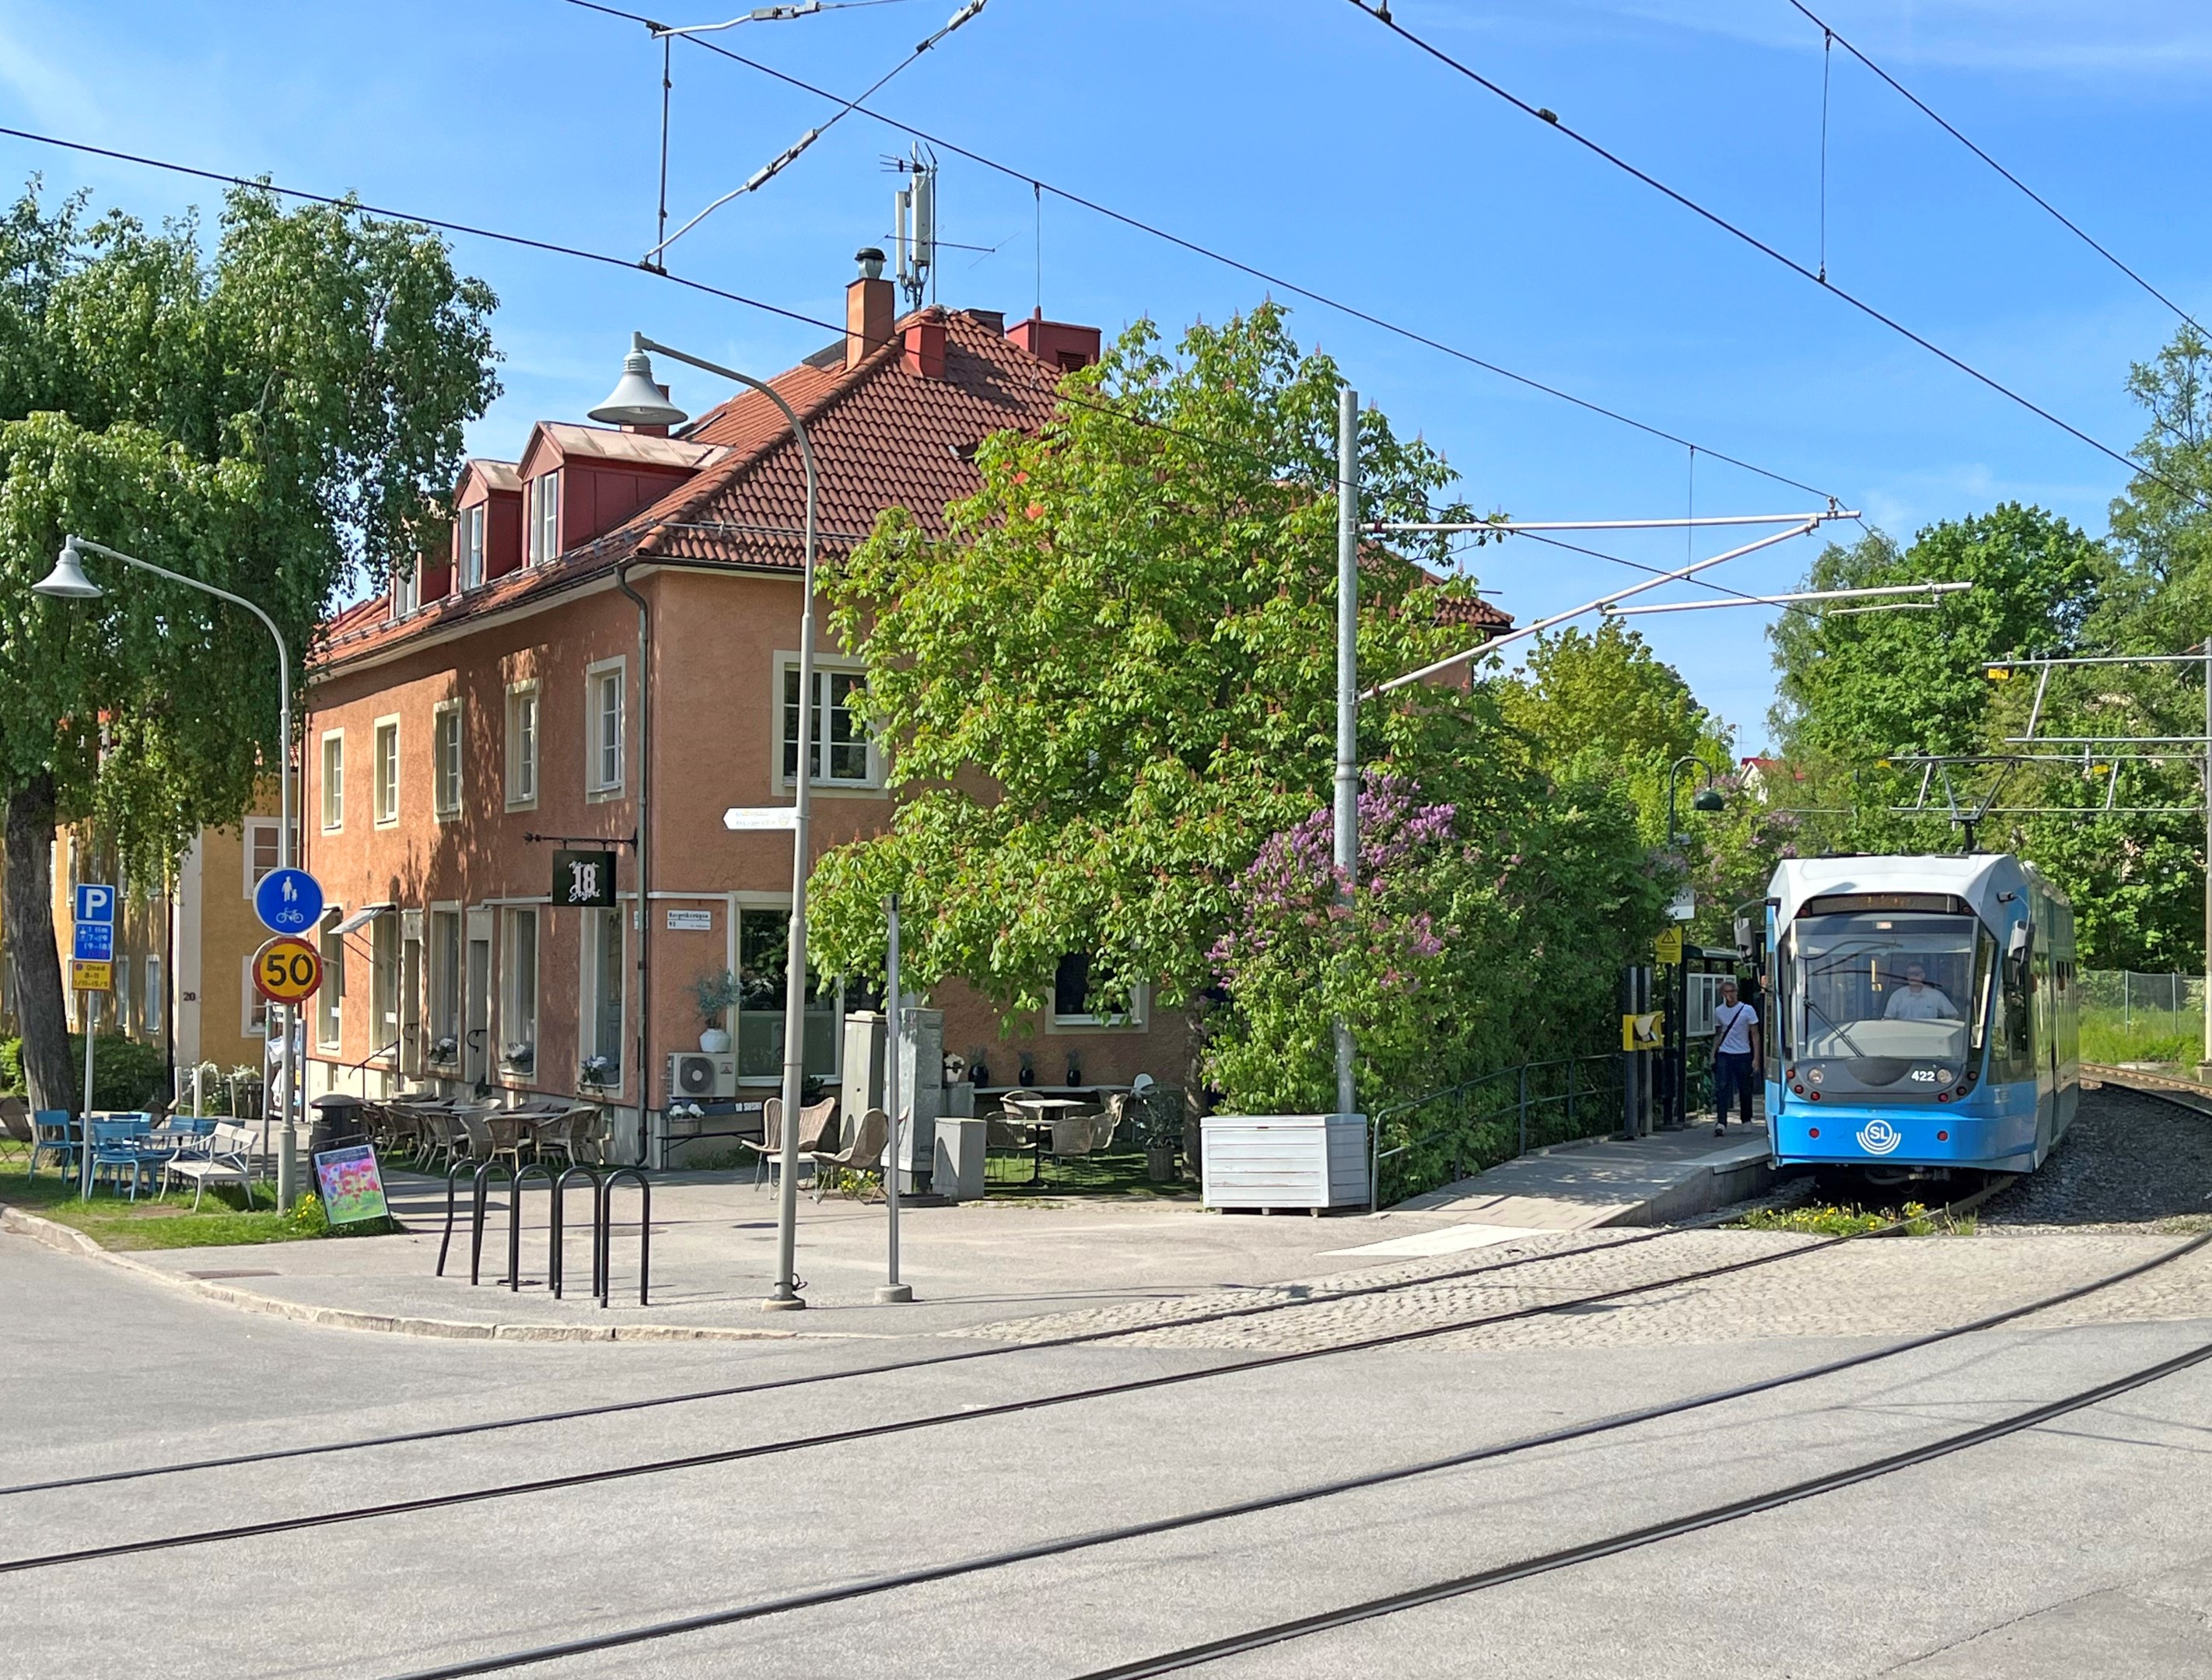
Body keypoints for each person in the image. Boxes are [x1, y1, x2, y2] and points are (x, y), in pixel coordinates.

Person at [1710, 977, 1760, 1138]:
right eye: (1726, 992)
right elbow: (1719, 1034)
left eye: (1732, 992)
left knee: (1745, 1089)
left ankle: (1746, 1120)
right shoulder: (1719, 1011)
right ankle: (1721, 1122)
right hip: (1725, 1053)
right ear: (1722, 994)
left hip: (1743, 1054)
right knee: (1722, 1087)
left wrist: (1756, 1058)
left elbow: (1755, 1035)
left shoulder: (1747, 1010)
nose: (1729, 995)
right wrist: (1713, 1054)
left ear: (1737, 993)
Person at [1883, 963, 1959, 1022]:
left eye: (1916, 974)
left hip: (1931, 1037)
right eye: (1910, 974)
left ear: (1923, 975)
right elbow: (1887, 1020)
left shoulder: (1936, 996)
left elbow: (1954, 1017)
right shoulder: (1897, 996)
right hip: (1902, 1037)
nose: (1913, 977)